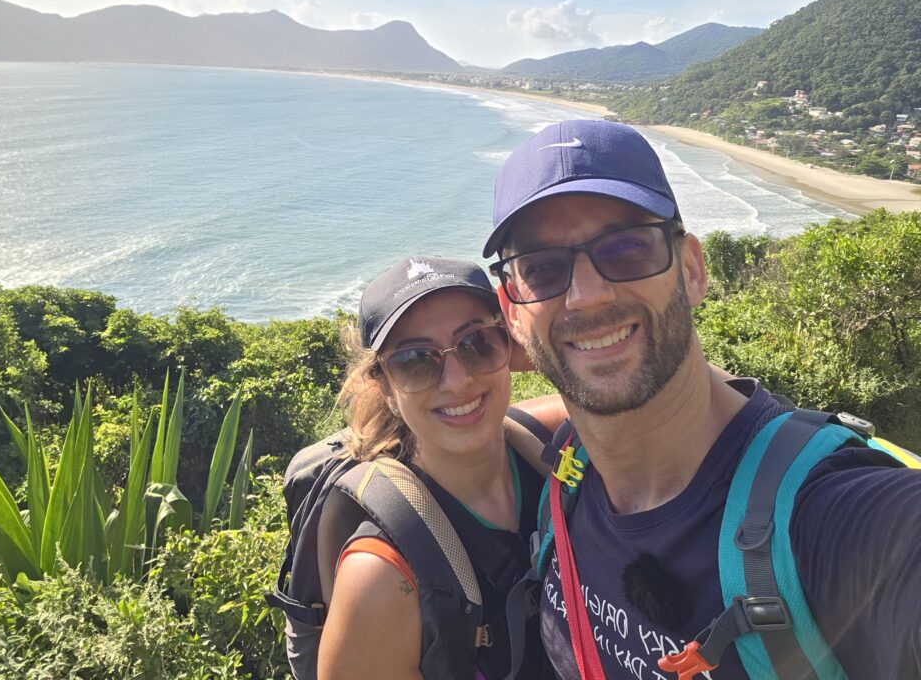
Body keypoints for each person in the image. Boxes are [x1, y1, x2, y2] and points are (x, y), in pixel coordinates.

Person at [483, 119, 921, 679]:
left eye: (626, 249)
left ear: (690, 269)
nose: (587, 295)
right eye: (543, 269)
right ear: (514, 311)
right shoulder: (567, 471)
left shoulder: (830, 515)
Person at [317, 255, 560, 680]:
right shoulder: (377, 579)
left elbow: (670, 395)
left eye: (477, 343)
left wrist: (545, 344)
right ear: (386, 389)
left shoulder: (545, 439)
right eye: (415, 360)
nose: (457, 380)